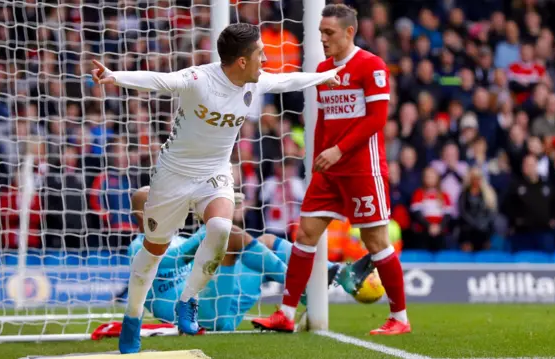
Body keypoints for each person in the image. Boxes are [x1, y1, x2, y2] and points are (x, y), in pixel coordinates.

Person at [92, 23, 344, 353]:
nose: (265, 59)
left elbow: (287, 80)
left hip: (215, 173)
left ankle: (188, 301)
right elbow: (159, 81)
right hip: (174, 175)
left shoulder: (255, 82)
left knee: (222, 228)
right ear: (241, 61)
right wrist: (114, 76)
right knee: (152, 251)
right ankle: (132, 317)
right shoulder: (199, 80)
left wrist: (322, 77)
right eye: (259, 54)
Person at [252, 4, 411, 336]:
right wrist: (318, 154)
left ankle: (399, 318)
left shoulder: (371, 65)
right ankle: (285, 313)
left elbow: (377, 119)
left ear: (349, 32)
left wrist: (338, 150)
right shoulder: (324, 70)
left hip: (362, 169)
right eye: (320, 33)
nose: (322, 39)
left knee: (375, 239)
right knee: (305, 234)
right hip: (329, 169)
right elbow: (323, 118)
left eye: (329, 33)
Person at [116, 187, 373, 332]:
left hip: (221, 300)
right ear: (143, 213)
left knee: (267, 241)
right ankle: (308, 288)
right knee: (232, 236)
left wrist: (215, 222)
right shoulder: (138, 247)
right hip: (202, 316)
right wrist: (215, 224)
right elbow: (173, 260)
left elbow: (200, 253)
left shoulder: (181, 239)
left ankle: (330, 276)